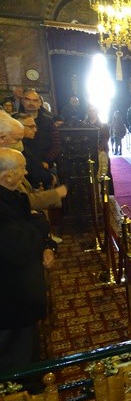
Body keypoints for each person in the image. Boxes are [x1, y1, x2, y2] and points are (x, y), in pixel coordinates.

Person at [0, 148, 56, 378]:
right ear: (8, 176)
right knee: (15, 354)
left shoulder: (13, 196)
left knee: (29, 343)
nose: (26, 173)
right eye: (22, 169)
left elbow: (33, 224)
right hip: (11, 295)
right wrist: (39, 226)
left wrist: (46, 245)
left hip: (23, 288)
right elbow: (19, 242)